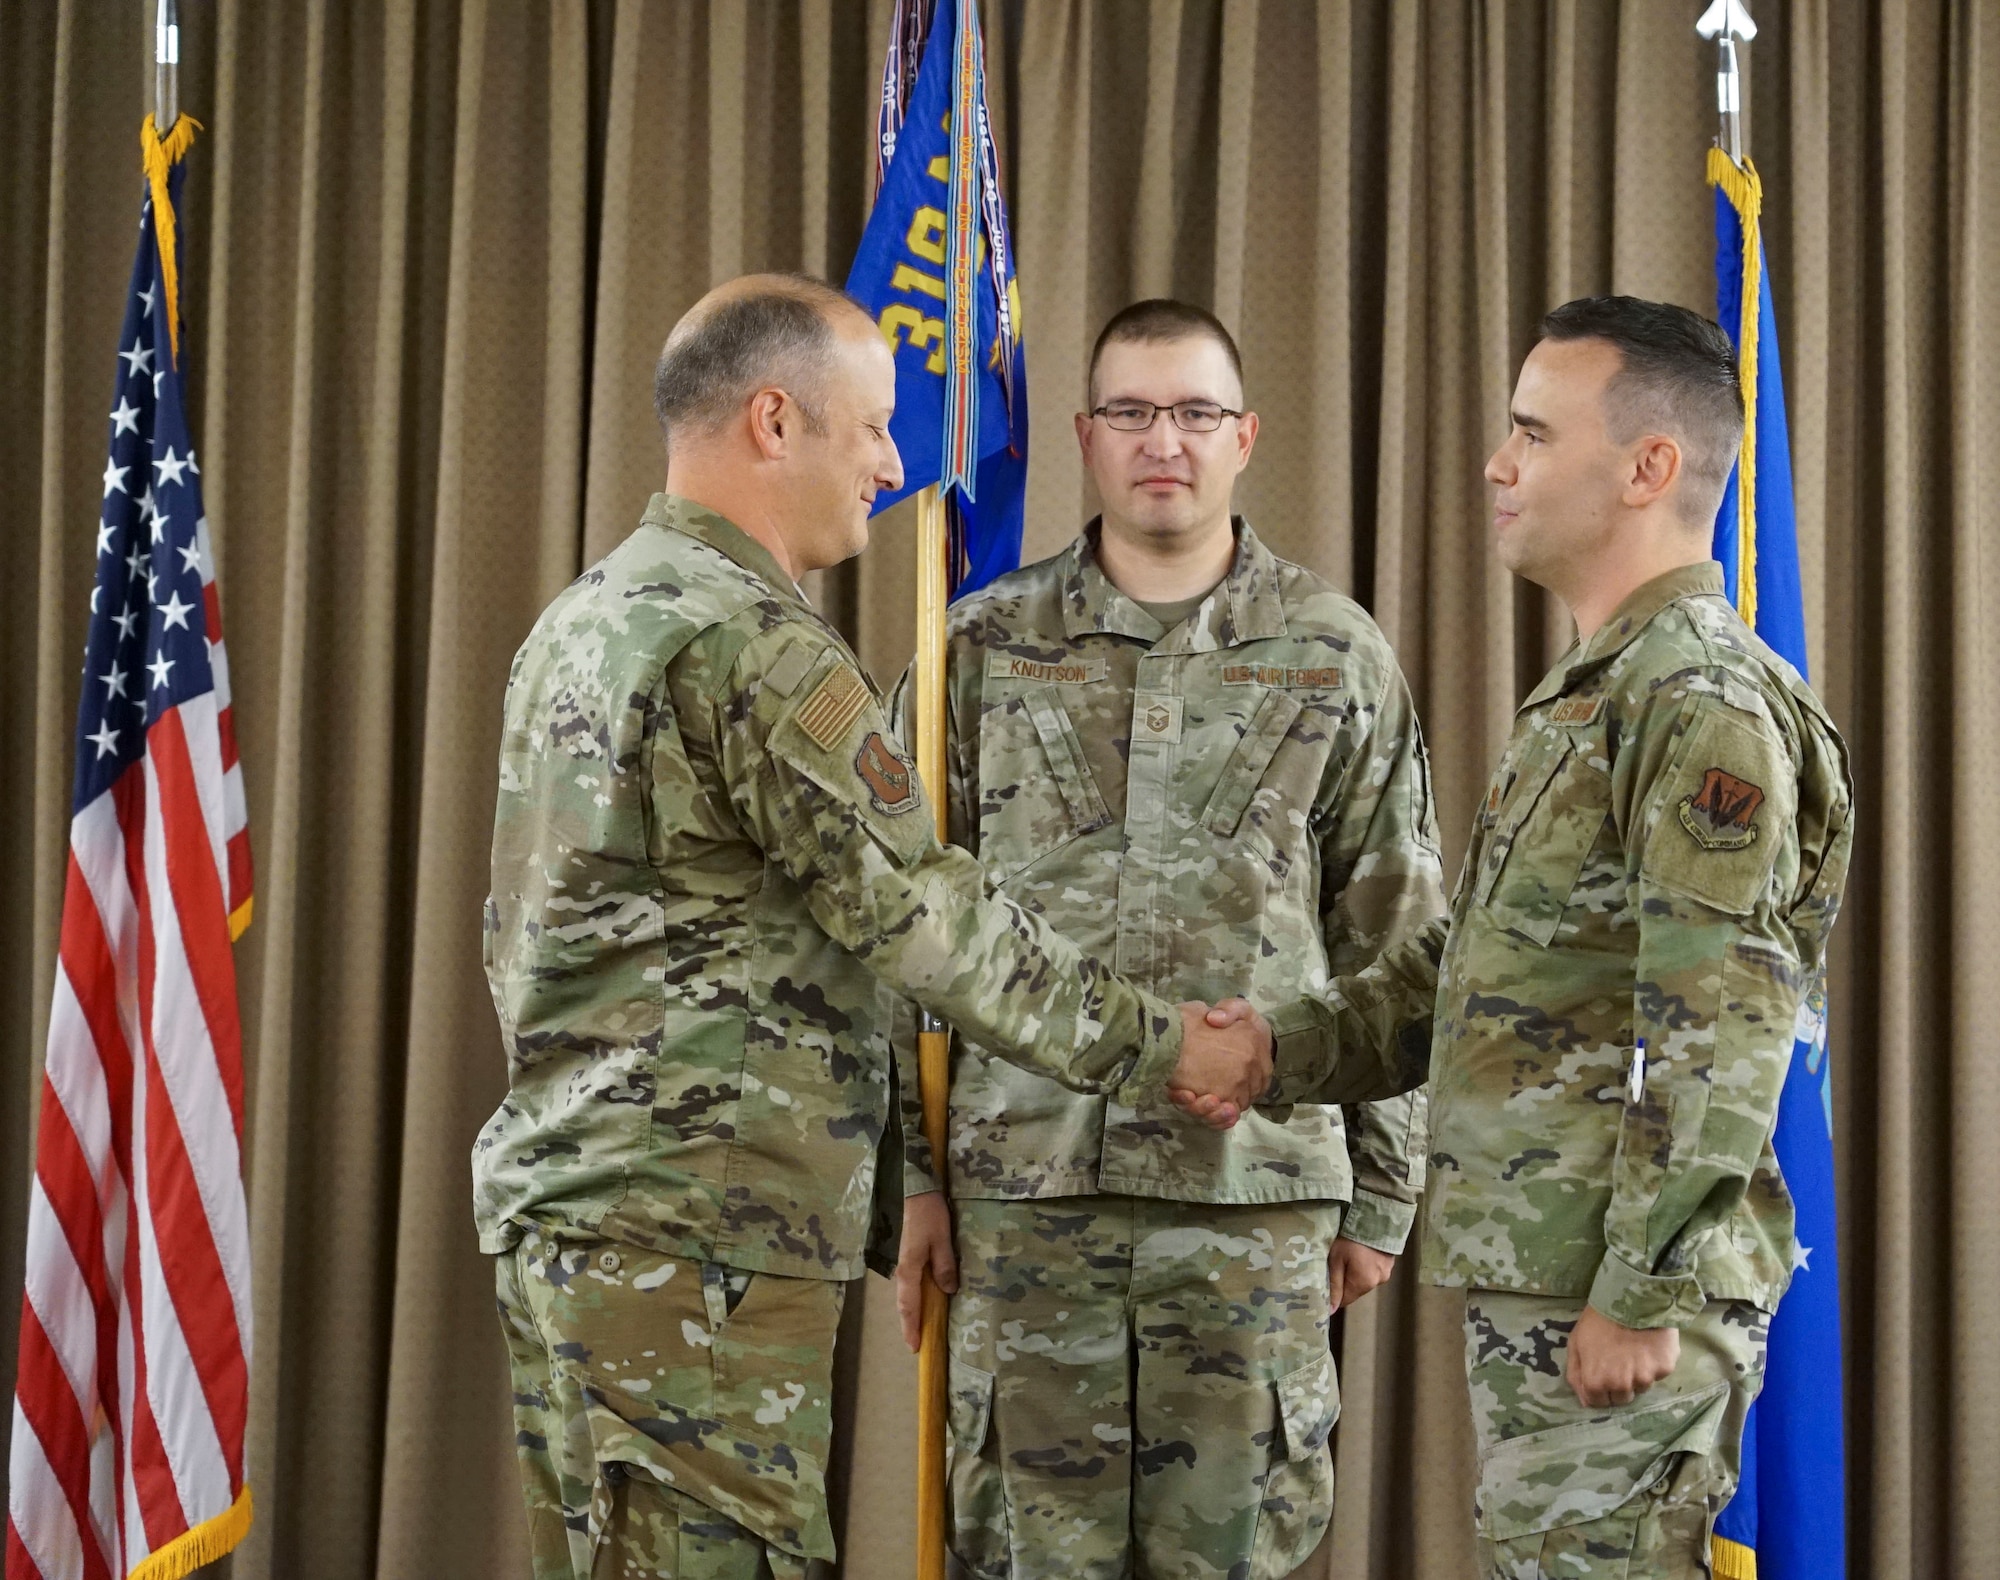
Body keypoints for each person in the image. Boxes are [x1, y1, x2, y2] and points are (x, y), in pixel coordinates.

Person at [472, 273, 1272, 1580]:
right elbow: (921, 916)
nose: (898, 466)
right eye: (875, 427)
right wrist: (1165, 1046)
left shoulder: (586, 619)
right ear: (774, 422)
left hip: (586, 1214)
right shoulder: (751, 646)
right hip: (699, 1243)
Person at [1184, 296, 1854, 1578]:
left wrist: (1641, 1289)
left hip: (1612, 1293)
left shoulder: (1694, 701)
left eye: (1531, 433)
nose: (1496, 464)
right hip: (1550, 1273)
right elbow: (1466, 979)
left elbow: (1717, 1018)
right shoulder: (1591, 695)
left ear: (1646, 467)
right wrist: (1274, 1050)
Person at [889, 299, 1446, 1580]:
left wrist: (1381, 1192)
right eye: (1132, 411)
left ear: (1244, 435)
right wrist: (906, 1177)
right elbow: (891, 926)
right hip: (1023, 1195)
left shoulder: (1332, 653)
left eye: (1195, 412)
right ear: (1084, 435)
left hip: (1250, 1201)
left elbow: (1397, 935)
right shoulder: (973, 645)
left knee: (1235, 1556)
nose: (1164, 442)